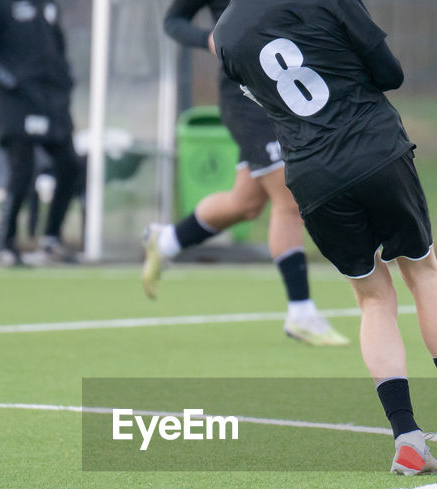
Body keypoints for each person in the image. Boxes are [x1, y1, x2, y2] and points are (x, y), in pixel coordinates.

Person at [212, 0, 437, 473]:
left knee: (372, 299)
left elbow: (270, 103)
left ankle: (407, 438)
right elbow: (390, 73)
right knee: (424, 274)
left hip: (310, 174)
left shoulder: (224, 34)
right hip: (374, 149)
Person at [142, 0, 348, 348]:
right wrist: (208, 37)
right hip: (244, 97)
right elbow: (174, 21)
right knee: (289, 198)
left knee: (246, 203)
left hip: (285, 89)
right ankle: (301, 312)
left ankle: (164, 241)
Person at [0, 0, 83, 267]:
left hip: (52, 100)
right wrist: (12, 82)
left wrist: (65, 78)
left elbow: (57, 46)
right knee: (22, 169)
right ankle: (4, 243)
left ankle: (52, 238)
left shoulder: (48, 4)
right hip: (17, 102)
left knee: (70, 165)